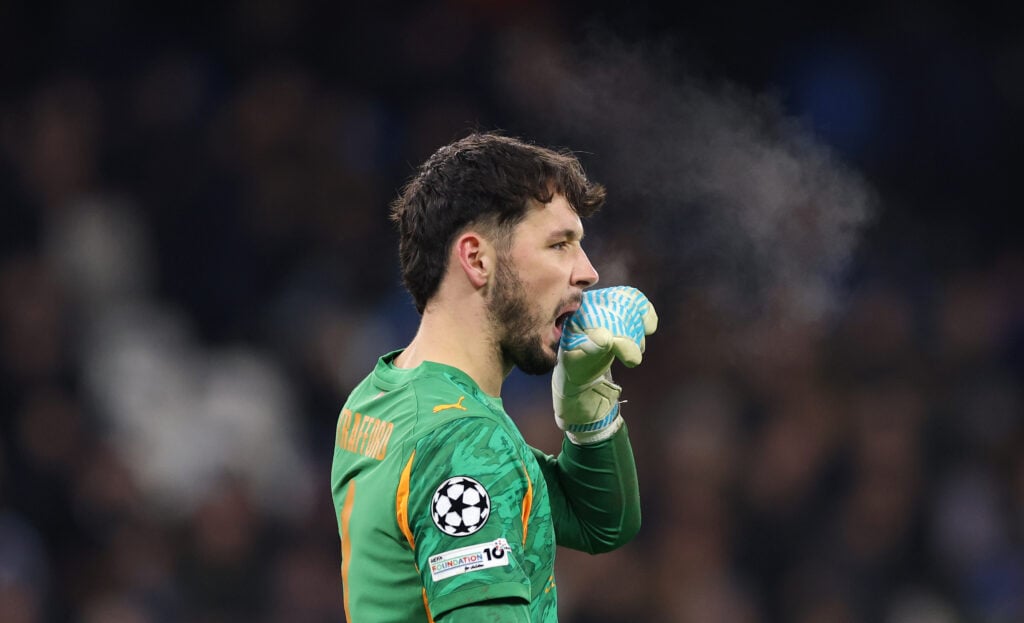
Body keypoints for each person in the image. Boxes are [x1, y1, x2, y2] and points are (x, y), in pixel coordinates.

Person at [330, 132, 658, 622]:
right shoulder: (463, 441)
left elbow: (600, 522)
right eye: (560, 244)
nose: (588, 273)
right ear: (477, 259)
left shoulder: (381, 394)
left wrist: (588, 398)